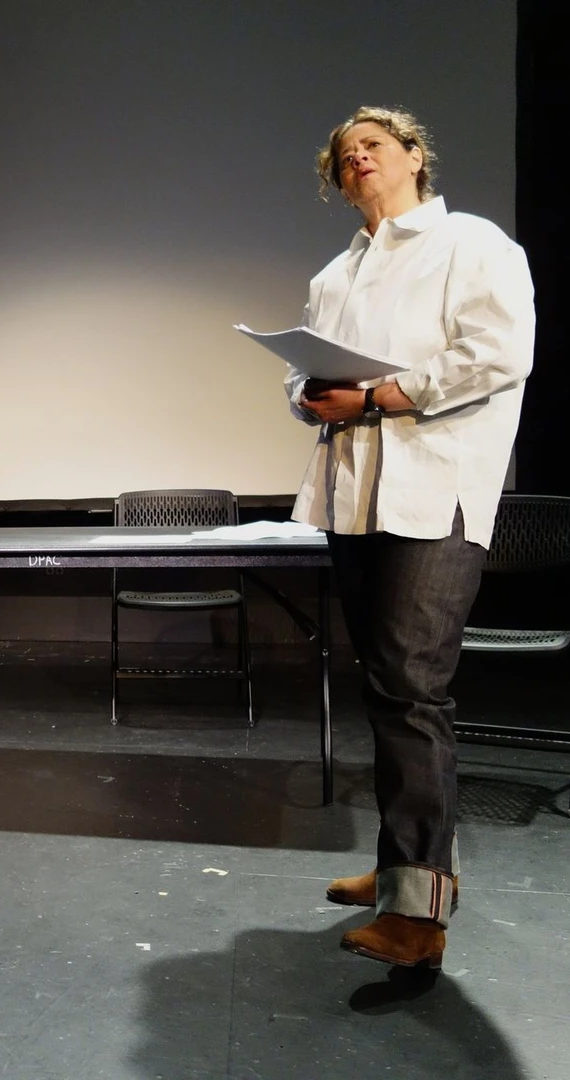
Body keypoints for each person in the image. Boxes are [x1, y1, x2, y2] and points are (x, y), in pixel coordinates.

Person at [286, 107, 535, 967]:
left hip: (436, 499)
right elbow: (302, 374)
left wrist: (381, 396)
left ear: (415, 157)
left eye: (375, 145)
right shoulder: (335, 273)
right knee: (387, 690)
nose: (358, 156)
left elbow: (499, 354)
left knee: (412, 694)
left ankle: (417, 919)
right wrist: (306, 392)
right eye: (345, 152)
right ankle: (411, 870)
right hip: (353, 502)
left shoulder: (472, 243)